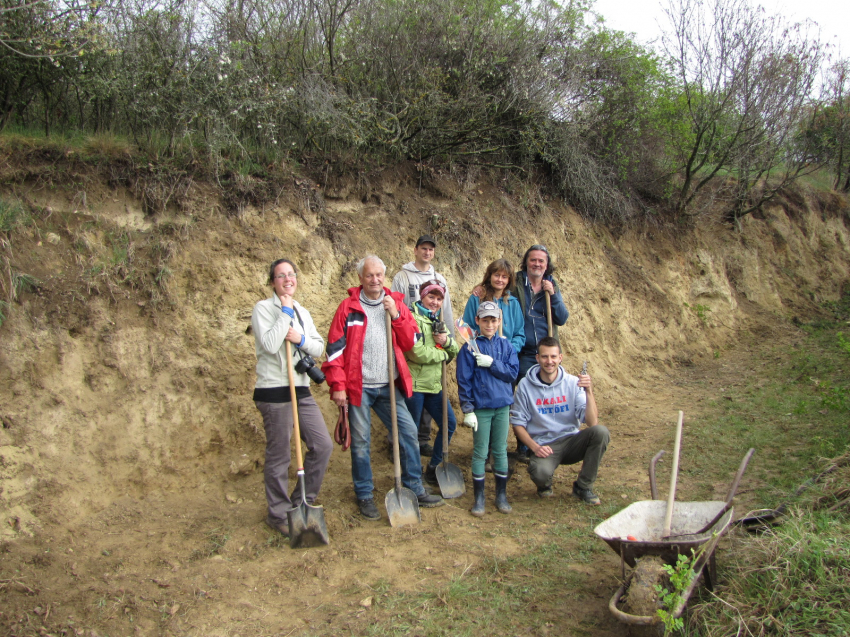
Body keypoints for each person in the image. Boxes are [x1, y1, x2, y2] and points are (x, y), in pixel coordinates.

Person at [322, 255, 444, 520]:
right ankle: (365, 494)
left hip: (388, 387)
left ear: (384, 276)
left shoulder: (396, 303)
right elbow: (334, 351)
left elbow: (411, 340)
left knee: (409, 433)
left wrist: (397, 315)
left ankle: (415, 487)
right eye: (369, 275)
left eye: (379, 275)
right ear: (361, 278)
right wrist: (338, 387)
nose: (375, 280)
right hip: (359, 388)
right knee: (361, 442)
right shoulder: (348, 308)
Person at [251, 258, 333, 538]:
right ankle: (277, 513)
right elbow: (271, 344)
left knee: (322, 445)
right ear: (272, 282)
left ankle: (301, 502)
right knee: (280, 455)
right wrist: (284, 312)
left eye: (291, 274)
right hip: (274, 390)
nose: (287, 279)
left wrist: (299, 338)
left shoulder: (303, 311)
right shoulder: (263, 309)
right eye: (280, 275)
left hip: (300, 389)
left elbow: (318, 347)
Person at [510, 337, 608, 505]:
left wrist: (589, 392)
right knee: (540, 472)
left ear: (560, 358)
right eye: (545, 357)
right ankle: (544, 485)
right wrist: (535, 447)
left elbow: (592, 422)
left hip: (571, 441)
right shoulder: (525, 386)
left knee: (600, 432)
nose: (549, 361)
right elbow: (518, 424)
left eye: (553, 357)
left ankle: (583, 487)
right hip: (545, 445)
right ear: (537, 358)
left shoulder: (572, 383)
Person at [391, 234, 455, 456]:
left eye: (431, 249)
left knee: (431, 411)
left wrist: (448, 342)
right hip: (412, 338)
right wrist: (443, 354)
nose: (427, 252)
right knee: (410, 413)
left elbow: (445, 313)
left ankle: (423, 442)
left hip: (433, 345)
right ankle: (401, 449)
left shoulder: (440, 279)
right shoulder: (403, 276)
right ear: (416, 250)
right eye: (424, 248)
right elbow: (397, 307)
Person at [457, 301, 519, 516]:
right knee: (480, 452)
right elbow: (464, 380)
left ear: (499, 321)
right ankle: (479, 498)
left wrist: (492, 363)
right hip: (482, 408)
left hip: (502, 405)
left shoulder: (506, 346)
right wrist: (468, 409)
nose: (490, 324)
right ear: (477, 321)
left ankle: (501, 495)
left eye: (493, 320)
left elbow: (512, 373)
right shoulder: (469, 348)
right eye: (485, 320)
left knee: (500, 450)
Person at [403, 280, 460, 484]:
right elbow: (415, 352)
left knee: (449, 424)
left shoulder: (438, 321)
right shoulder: (411, 318)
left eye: (438, 299)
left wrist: (446, 343)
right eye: (431, 297)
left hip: (435, 385)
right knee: (411, 433)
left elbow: (453, 351)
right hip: (416, 385)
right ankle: (411, 475)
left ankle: (434, 467)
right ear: (422, 297)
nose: (435, 302)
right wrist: (442, 354)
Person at [513, 245, 569, 379]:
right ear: (526, 262)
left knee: (549, 392)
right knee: (525, 390)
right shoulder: (515, 281)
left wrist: (553, 294)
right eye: (533, 260)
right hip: (523, 352)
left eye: (541, 261)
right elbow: (495, 283)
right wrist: (480, 288)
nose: (537, 264)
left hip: (547, 353)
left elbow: (562, 318)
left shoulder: (551, 283)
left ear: (546, 264)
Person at [462, 259, 525, 355]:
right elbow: (467, 328)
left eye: (504, 277)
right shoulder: (477, 299)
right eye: (496, 275)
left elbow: (519, 334)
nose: (500, 280)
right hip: (480, 354)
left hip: (505, 356)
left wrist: (510, 349)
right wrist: (479, 348)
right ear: (490, 276)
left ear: (509, 280)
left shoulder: (513, 303)